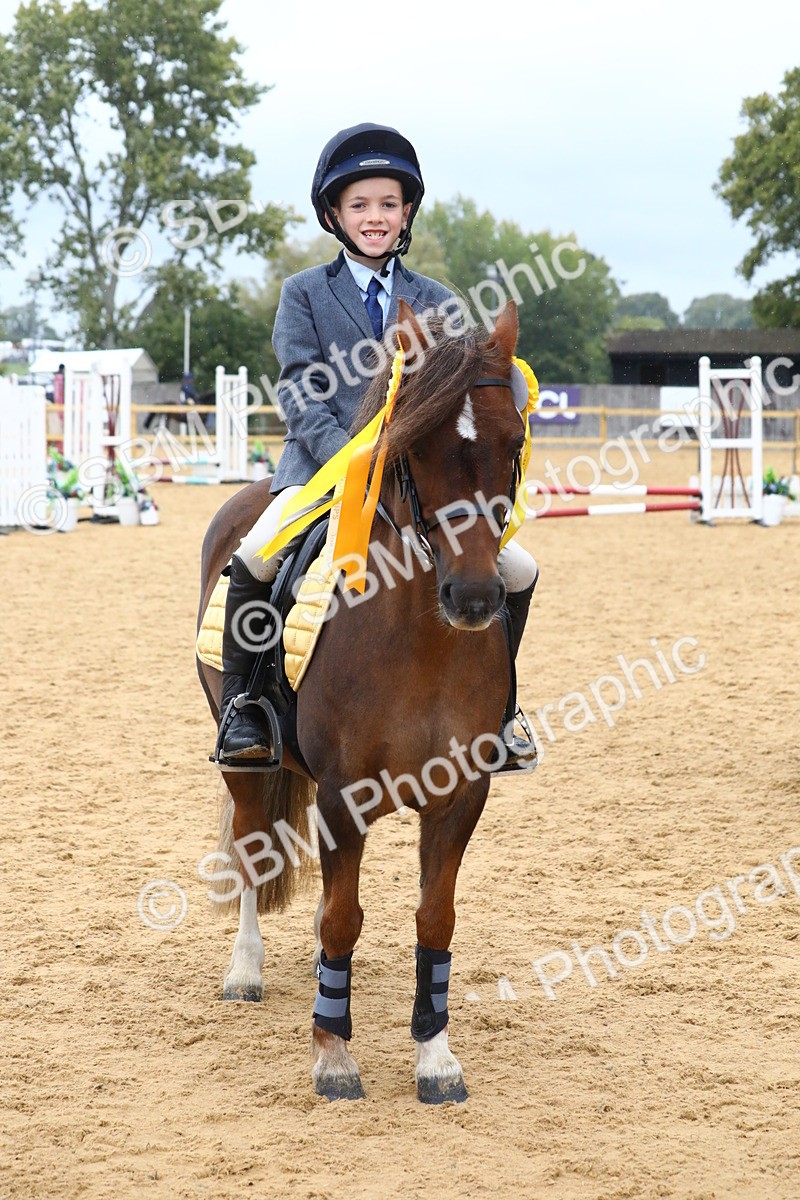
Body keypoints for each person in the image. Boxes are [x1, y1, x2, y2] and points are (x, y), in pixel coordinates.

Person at [216, 122, 538, 772]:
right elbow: (300, 390)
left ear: (406, 213)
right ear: (334, 213)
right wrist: (353, 461)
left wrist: (502, 392)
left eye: (388, 204)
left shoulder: (438, 301)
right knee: (255, 555)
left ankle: (501, 711)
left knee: (520, 569)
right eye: (360, 205)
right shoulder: (304, 293)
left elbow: (468, 391)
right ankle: (247, 708)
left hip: (415, 486)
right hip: (317, 475)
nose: (375, 217)